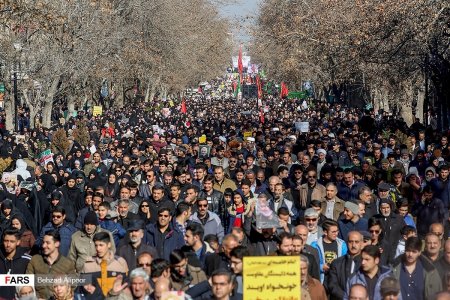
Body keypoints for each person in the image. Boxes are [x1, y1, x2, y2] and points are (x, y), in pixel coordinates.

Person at [26, 230, 76, 299]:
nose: (43, 246)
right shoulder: (35, 260)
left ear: (57, 244)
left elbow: (72, 286)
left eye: (48, 243)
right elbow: (27, 283)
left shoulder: (67, 263)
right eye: (43, 242)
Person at [81, 232, 128, 297]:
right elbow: (82, 289)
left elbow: (126, 286)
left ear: (109, 245)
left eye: (101, 245)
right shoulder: (87, 265)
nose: (98, 249)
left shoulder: (120, 263)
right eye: (96, 245)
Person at [327, 231, 364, 300]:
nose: (353, 245)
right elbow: (332, 285)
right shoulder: (336, 263)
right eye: (351, 242)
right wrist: (346, 298)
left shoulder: (365, 263)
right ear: (347, 243)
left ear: (362, 244)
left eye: (356, 242)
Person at [0, 229, 32, 299]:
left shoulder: (26, 260)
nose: (8, 245)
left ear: (18, 242)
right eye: (6, 241)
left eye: (12, 241)